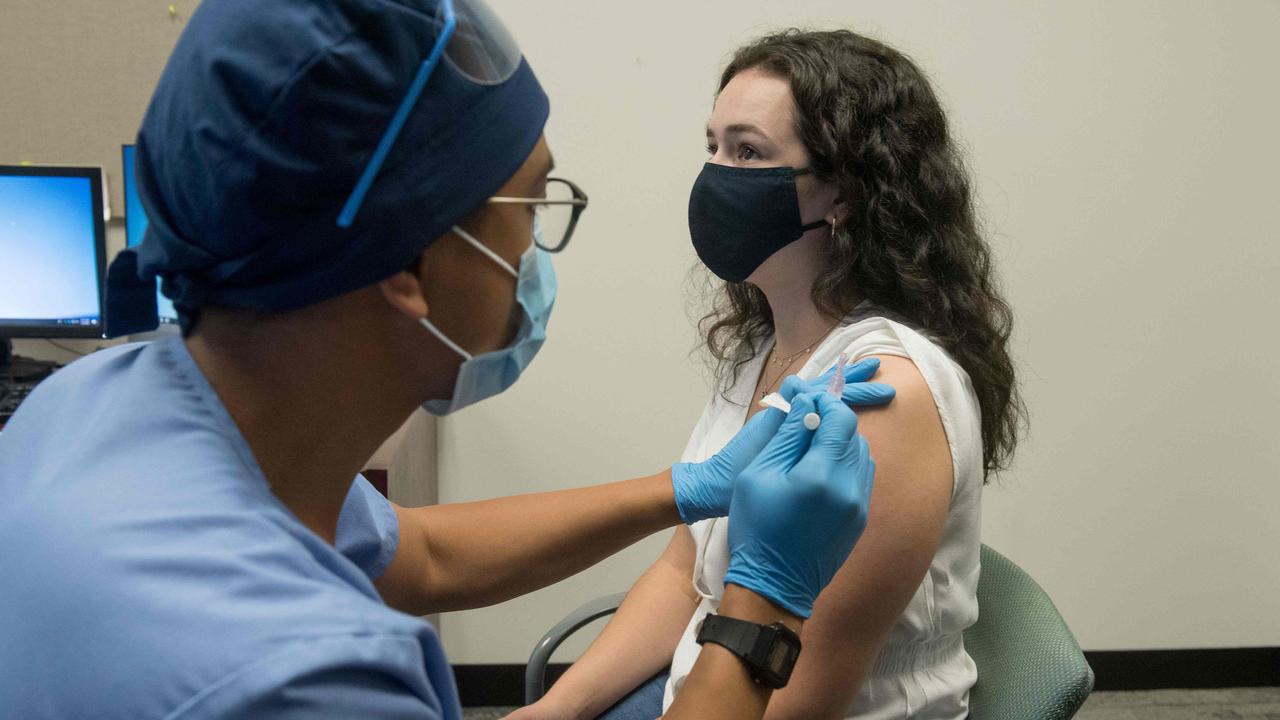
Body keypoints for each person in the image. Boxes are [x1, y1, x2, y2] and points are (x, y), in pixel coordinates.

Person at [0, 3, 898, 719]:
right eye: (530, 202)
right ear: (407, 268)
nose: (538, 250)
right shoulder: (303, 681)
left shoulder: (91, 402)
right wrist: (763, 604)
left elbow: (418, 555)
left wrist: (688, 488)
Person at [513, 29, 1025, 720]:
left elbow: (806, 688)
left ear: (842, 194)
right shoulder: (765, 345)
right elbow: (684, 570)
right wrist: (557, 708)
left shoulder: (883, 394)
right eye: (713, 146)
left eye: (748, 151)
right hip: (708, 685)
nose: (716, 174)